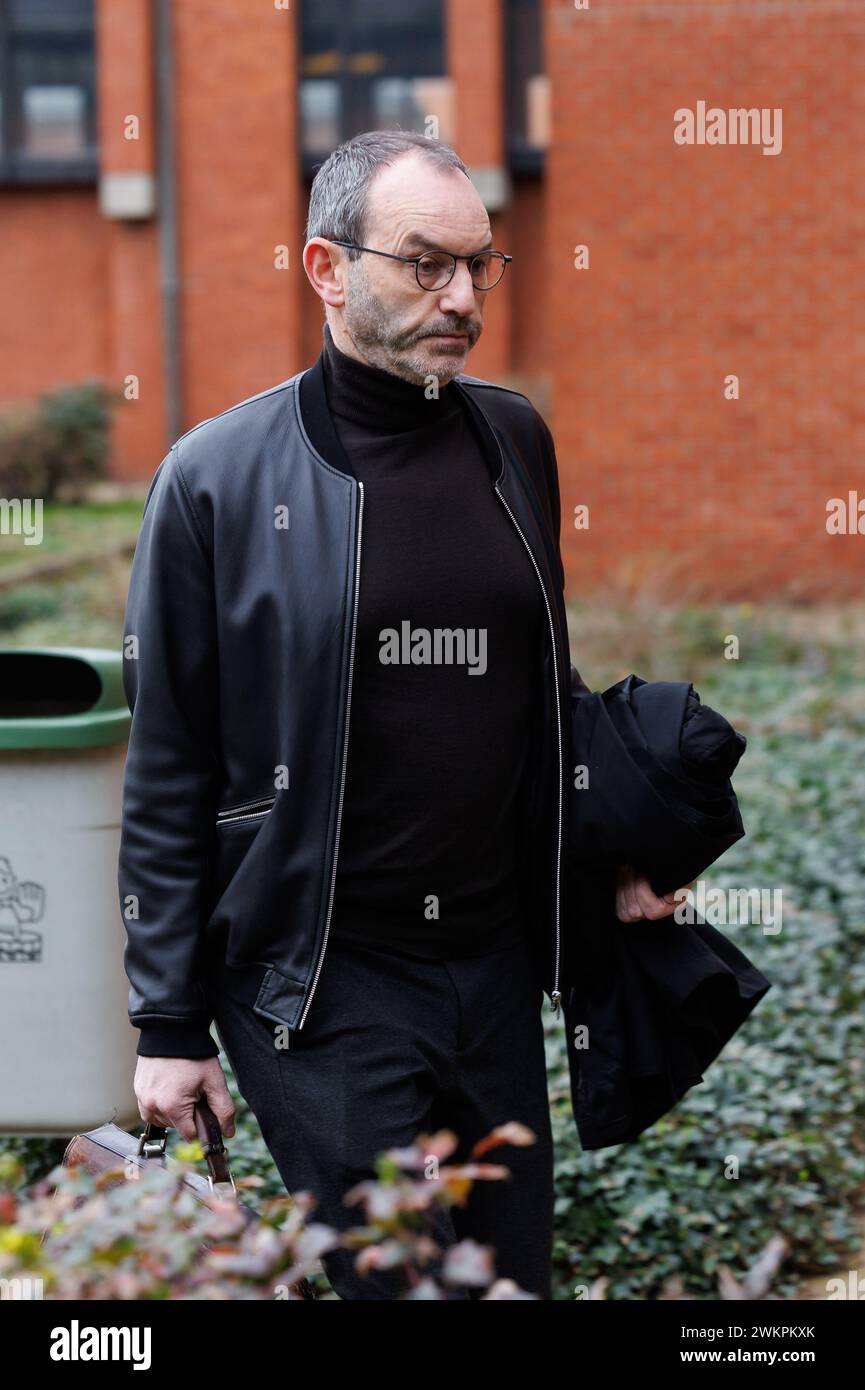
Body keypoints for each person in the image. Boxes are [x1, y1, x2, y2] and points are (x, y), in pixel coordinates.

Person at [119, 130, 689, 1300]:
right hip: (320, 982)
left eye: (479, 264)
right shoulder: (216, 479)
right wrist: (168, 1025)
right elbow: (170, 765)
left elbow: (541, 687)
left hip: (491, 965)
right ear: (326, 269)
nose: (463, 297)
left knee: (506, 1283)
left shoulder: (511, 438)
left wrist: (617, 844)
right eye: (426, 264)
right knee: (408, 1287)